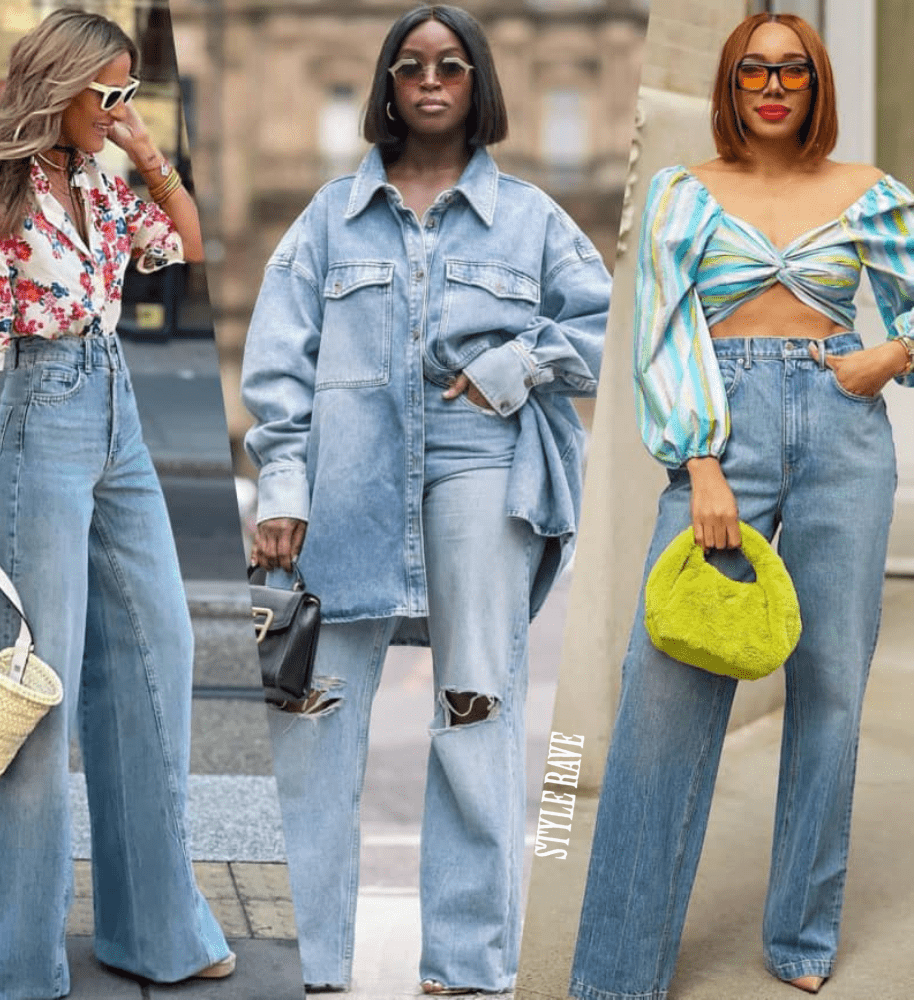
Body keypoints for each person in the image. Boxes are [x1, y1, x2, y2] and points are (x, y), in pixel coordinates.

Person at [241, 4, 611, 992]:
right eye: (410, 65)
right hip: (346, 483)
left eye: (450, 64)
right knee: (310, 715)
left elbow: (608, 332)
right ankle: (311, 960)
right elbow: (279, 363)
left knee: (475, 711)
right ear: (388, 87)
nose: (431, 79)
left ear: (476, 81)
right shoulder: (328, 215)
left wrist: (513, 364)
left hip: (481, 471)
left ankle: (468, 964)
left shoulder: (531, 218)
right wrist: (281, 485)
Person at [568, 12, 914, 1000]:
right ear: (728, 85)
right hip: (721, 428)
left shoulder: (870, 195)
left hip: (843, 430)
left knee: (832, 690)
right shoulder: (685, 194)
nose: (771, 85)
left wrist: (889, 352)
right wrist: (702, 465)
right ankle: (616, 969)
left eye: (790, 70)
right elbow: (658, 328)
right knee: (665, 688)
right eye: (753, 70)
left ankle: (801, 936)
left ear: (816, 85)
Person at [0, 10, 234, 998]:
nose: (120, 109)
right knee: (34, 684)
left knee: (158, 653)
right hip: (35, 417)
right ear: (58, 86)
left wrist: (145, 148)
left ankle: (155, 929)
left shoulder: (99, 179)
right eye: (108, 93)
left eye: (129, 94)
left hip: (117, 411)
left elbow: (185, 246)